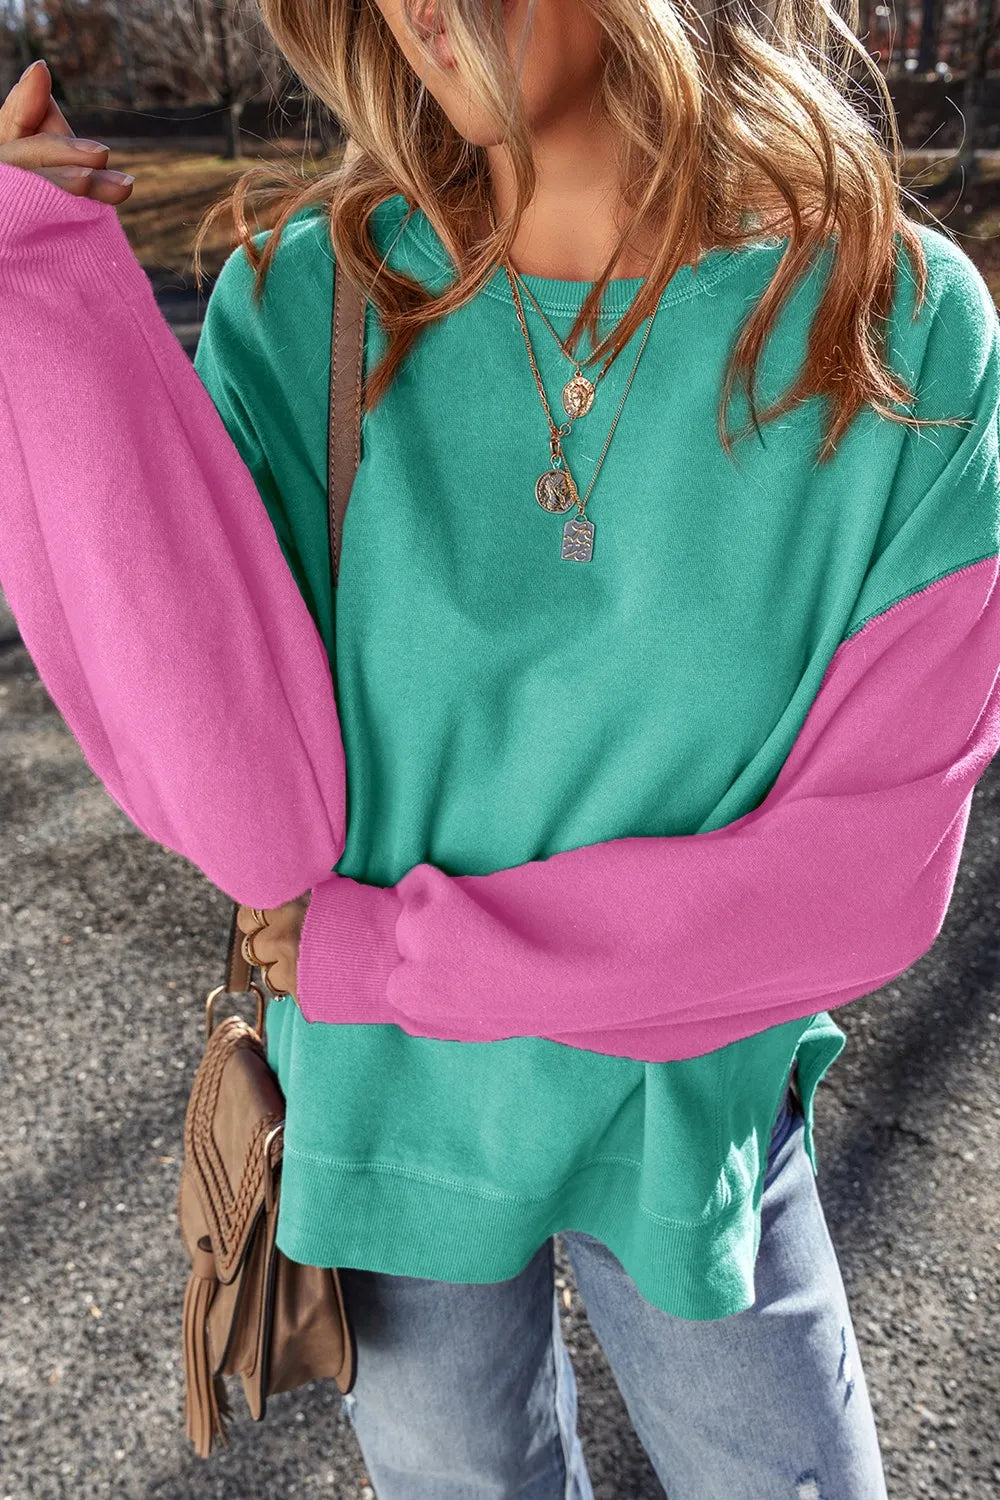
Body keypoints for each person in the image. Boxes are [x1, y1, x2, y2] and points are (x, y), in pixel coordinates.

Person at [0, 1, 998, 1494]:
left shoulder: (894, 328)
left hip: (686, 1114)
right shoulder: (306, 305)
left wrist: (395, 956)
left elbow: (860, 887)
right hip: (391, 1120)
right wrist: (43, 301)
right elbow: (255, 825)